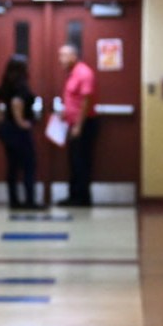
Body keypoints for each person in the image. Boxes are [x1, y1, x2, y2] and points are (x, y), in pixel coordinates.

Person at [0, 53, 39, 209]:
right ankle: (30, 201)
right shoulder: (21, 84)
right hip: (19, 131)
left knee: (12, 166)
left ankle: (14, 201)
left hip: (7, 129)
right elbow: (16, 102)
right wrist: (21, 122)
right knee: (28, 165)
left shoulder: (6, 83)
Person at [58, 43, 97, 206]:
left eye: (64, 55)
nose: (60, 59)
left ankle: (82, 198)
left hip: (83, 124)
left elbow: (86, 101)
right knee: (74, 161)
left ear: (74, 56)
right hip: (72, 123)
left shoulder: (84, 73)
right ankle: (73, 195)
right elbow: (73, 99)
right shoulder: (72, 74)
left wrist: (78, 126)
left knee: (81, 161)